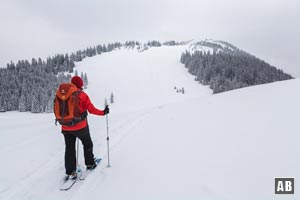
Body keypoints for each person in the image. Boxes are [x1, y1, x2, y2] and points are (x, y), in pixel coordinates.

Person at [61, 76, 109, 178]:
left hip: (65, 127)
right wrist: (103, 112)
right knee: (87, 144)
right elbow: (92, 110)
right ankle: (90, 163)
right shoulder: (82, 95)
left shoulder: (63, 94)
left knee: (69, 148)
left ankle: (70, 171)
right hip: (80, 127)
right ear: (80, 84)